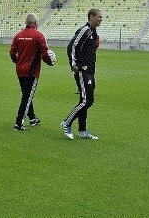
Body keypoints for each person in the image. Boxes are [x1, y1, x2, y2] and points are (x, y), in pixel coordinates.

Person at [9, 13, 55, 131]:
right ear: (35, 23)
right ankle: (19, 123)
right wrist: (50, 62)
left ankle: (32, 118)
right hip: (32, 71)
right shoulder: (39, 35)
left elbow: (12, 53)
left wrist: (17, 62)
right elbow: (45, 53)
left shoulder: (18, 35)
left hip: (20, 70)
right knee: (27, 97)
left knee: (26, 94)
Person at [61, 8, 102, 140]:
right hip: (82, 71)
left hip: (90, 71)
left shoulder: (93, 32)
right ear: (91, 17)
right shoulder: (84, 30)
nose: (101, 19)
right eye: (99, 17)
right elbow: (72, 46)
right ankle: (66, 123)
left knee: (85, 101)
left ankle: (82, 131)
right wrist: (73, 64)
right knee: (87, 101)